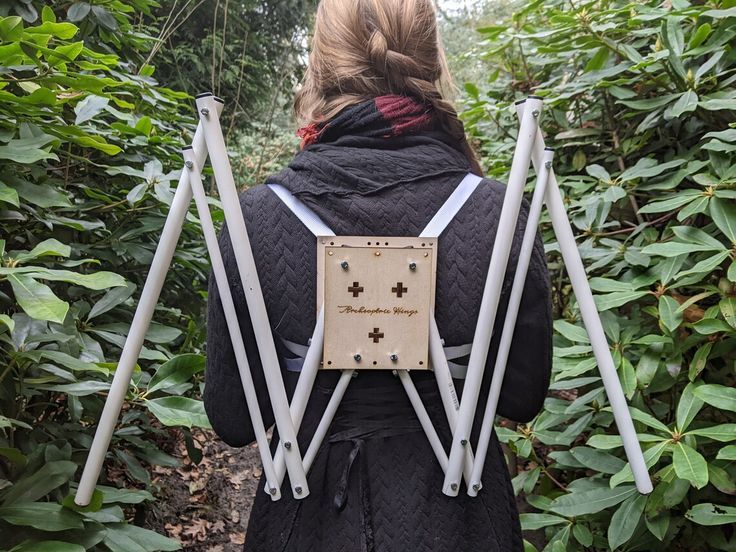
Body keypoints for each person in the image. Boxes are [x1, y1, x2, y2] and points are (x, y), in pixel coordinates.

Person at [203, 0, 552, 550]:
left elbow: (234, 418)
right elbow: (521, 397)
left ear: (316, 70)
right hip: (461, 522)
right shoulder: (498, 215)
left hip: (302, 521)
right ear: (434, 64)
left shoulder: (256, 221)